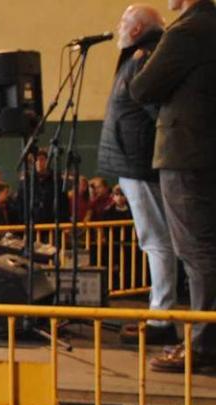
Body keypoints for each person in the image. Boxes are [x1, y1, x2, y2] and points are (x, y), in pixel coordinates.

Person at [130, 0, 216, 371]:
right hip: (205, 152)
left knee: (196, 252)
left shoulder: (185, 32)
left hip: (186, 155)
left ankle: (202, 345)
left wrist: (140, 63)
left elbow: (142, 88)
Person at [98, 5, 178, 347]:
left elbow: (157, 111)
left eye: (123, 23)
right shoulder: (141, 55)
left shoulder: (145, 57)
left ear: (135, 30)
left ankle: (162, 318)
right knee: (155, 242)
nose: (118, 28)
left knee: (156, 242)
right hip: (133, 162)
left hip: (139, 163)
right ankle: (159, 312)